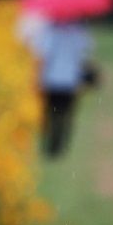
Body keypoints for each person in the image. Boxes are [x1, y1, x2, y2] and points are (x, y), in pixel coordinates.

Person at [27, 19, 94, 158]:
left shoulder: (50, 32)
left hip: (51, 80)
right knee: (65, 114)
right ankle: (60, 144)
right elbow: (84, 57)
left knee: (50, 113)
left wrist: (36, 79)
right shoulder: (79, 33)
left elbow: (42, 57)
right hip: (70, 81)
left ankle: (49, 143)